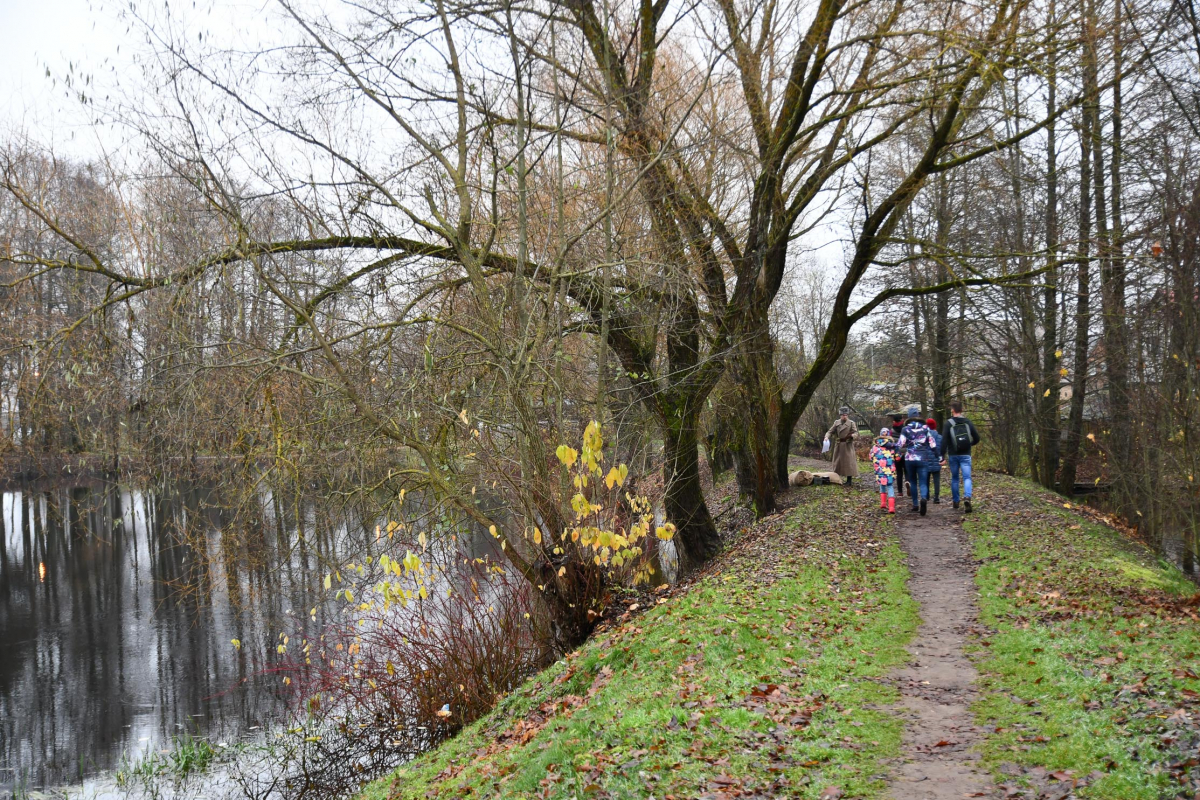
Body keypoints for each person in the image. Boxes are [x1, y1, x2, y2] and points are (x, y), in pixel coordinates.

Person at [940, 400, 981, 512]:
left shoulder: (948, 423)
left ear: (952, 410)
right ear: (961, 410)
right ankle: (967, 497)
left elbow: (943, 441)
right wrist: (970, 444)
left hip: (953, 454)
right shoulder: (967, 422)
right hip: (966, 454)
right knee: (967, 477)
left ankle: (956, 501)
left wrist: (942, 456)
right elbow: (977, 438)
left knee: (955, 478)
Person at [896, 407, 938, 515]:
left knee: (913, 481)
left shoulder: (905, 429)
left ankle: (915, 504)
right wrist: (938, 455)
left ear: (909, 417)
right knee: (923, 482)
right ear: (918, 416)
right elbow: (932, 443)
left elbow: (900, 444)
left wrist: (898, 452)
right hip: (923, 458)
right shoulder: (925, 428)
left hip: (910, 458)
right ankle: (923, 498)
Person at [824, 407, 859, 486]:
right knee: (837, 462)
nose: (845, 416)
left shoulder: (851, 423)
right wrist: (826, 437)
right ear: (840, 415)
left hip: (847, 445)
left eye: (846, 415)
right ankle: (836, 478)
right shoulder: (836, 422)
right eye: (843, 415)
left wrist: (852, 436)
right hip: (839, 445)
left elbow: (856, 433)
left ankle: (849, 480)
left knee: (849, 462)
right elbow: (830, 431)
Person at [870, 428, 898, 514]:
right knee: (890, 486)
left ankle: (883, 503)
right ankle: (892, 507)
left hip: (879, 470)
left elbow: (870, 457)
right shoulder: (892, 447)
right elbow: (897, 457)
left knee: (882, 484)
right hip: (889, 470)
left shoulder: (875, 447)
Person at [924, 418, 943, 504]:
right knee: (936, 479)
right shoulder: (940, 437)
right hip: (936, 460)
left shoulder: (924, 437)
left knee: (926, 479)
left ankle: (927, 495)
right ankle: (936, 497)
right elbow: (942, 449)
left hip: (926, 460)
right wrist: (941, 458)